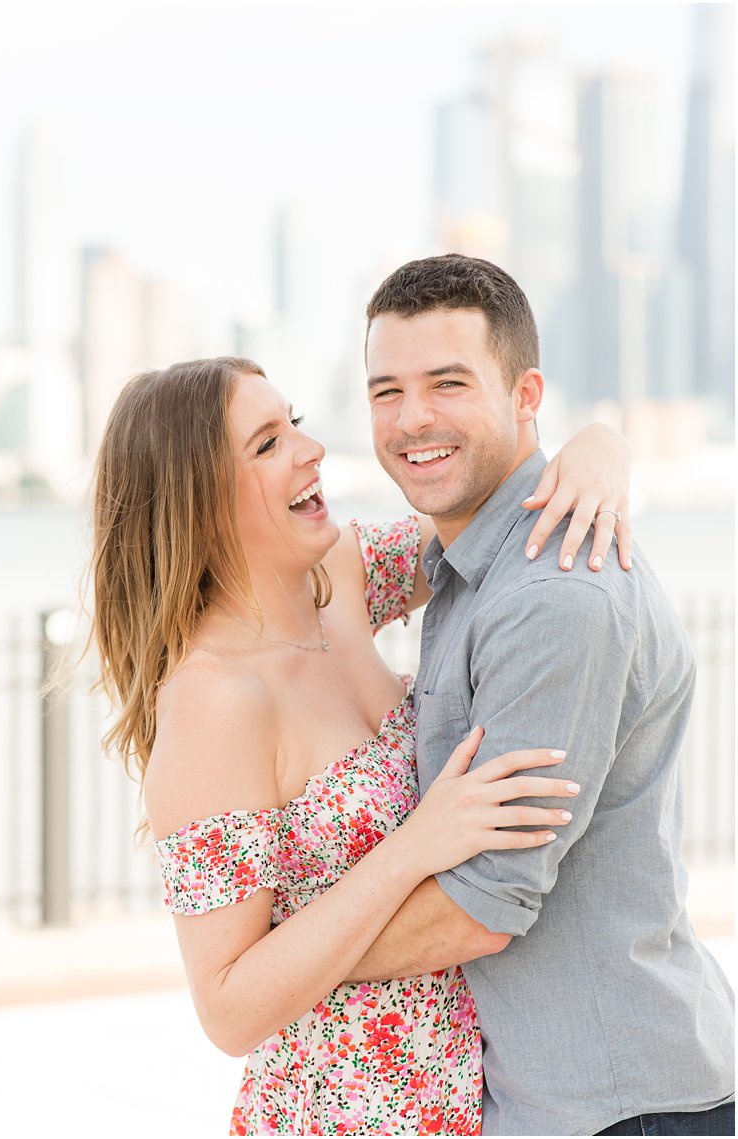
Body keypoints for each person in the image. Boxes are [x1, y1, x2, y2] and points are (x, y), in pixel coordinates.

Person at [91, 354, 633, 1134]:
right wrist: (414, 846)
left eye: (296, 424)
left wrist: (599, 448)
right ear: (199, 501)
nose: (310, 450)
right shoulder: (214, 700)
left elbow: (492, 517)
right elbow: (227, 1006)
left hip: (473, 1101)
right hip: (339, 1115)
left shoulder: (340, 574)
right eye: (268, 443)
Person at [347, 254, 734, 1136]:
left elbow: (486, 904)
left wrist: (279, 966)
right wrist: (602, 441)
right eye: (385, 390)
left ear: (526, 396)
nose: (412, 419)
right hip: (559, 1097)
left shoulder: (554, 593)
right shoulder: (463, 558)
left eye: (448, 383)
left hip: (618, 1100)